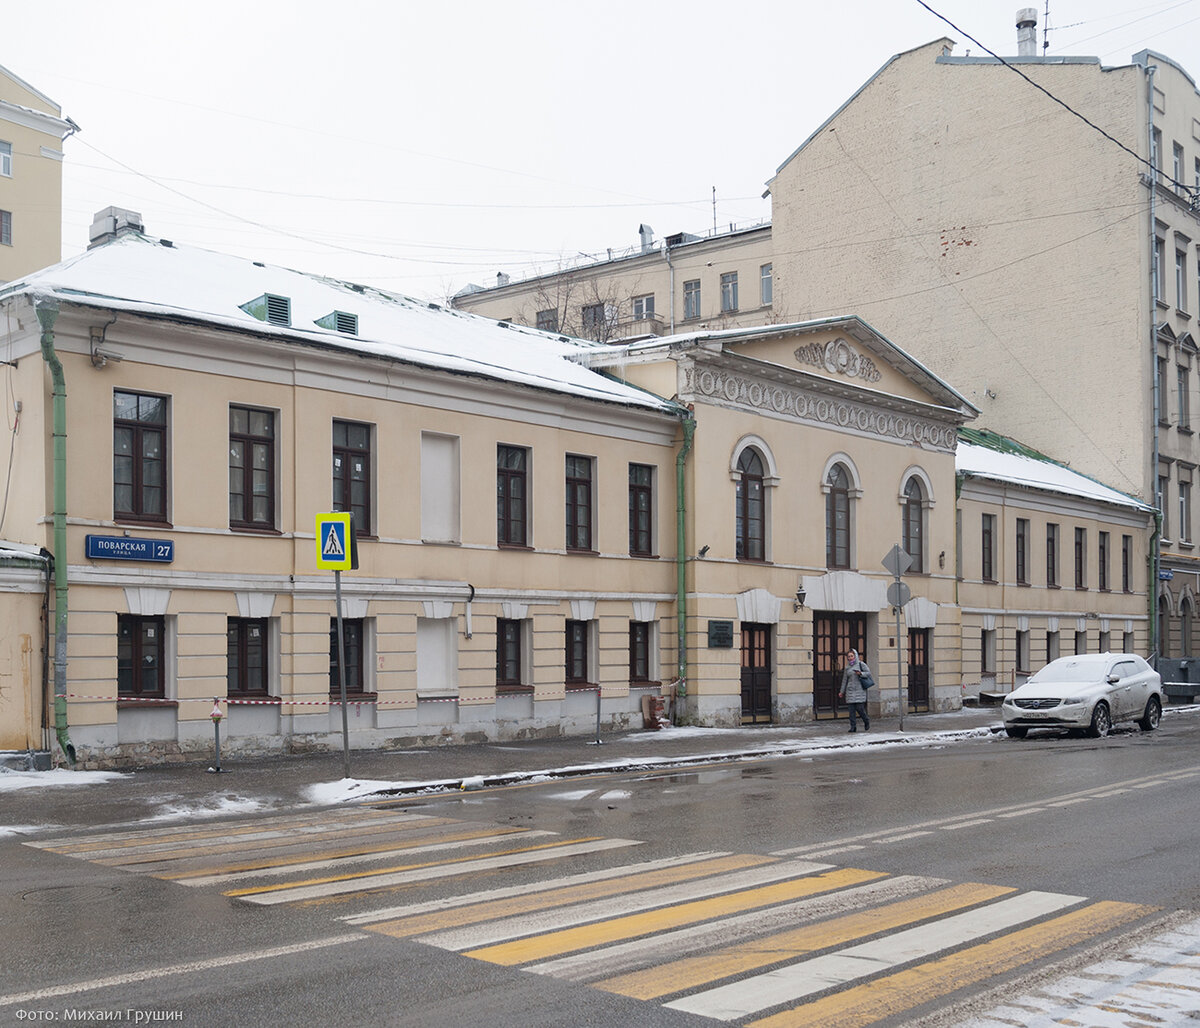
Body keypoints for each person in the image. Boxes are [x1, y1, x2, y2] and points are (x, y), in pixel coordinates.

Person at [839, 648, 871, 733]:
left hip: (859, 689)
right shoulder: (847, 668)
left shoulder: (861, 664)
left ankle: (866, 720)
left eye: (851, 656)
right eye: (848, 656)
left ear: (855, 656)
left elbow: (868, 673)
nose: (850, 658)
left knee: (860, 708)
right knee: (851, 711)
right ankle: (853, 727)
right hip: (850, 691)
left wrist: (861, 673)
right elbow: (844, 680)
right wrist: (842, 691)